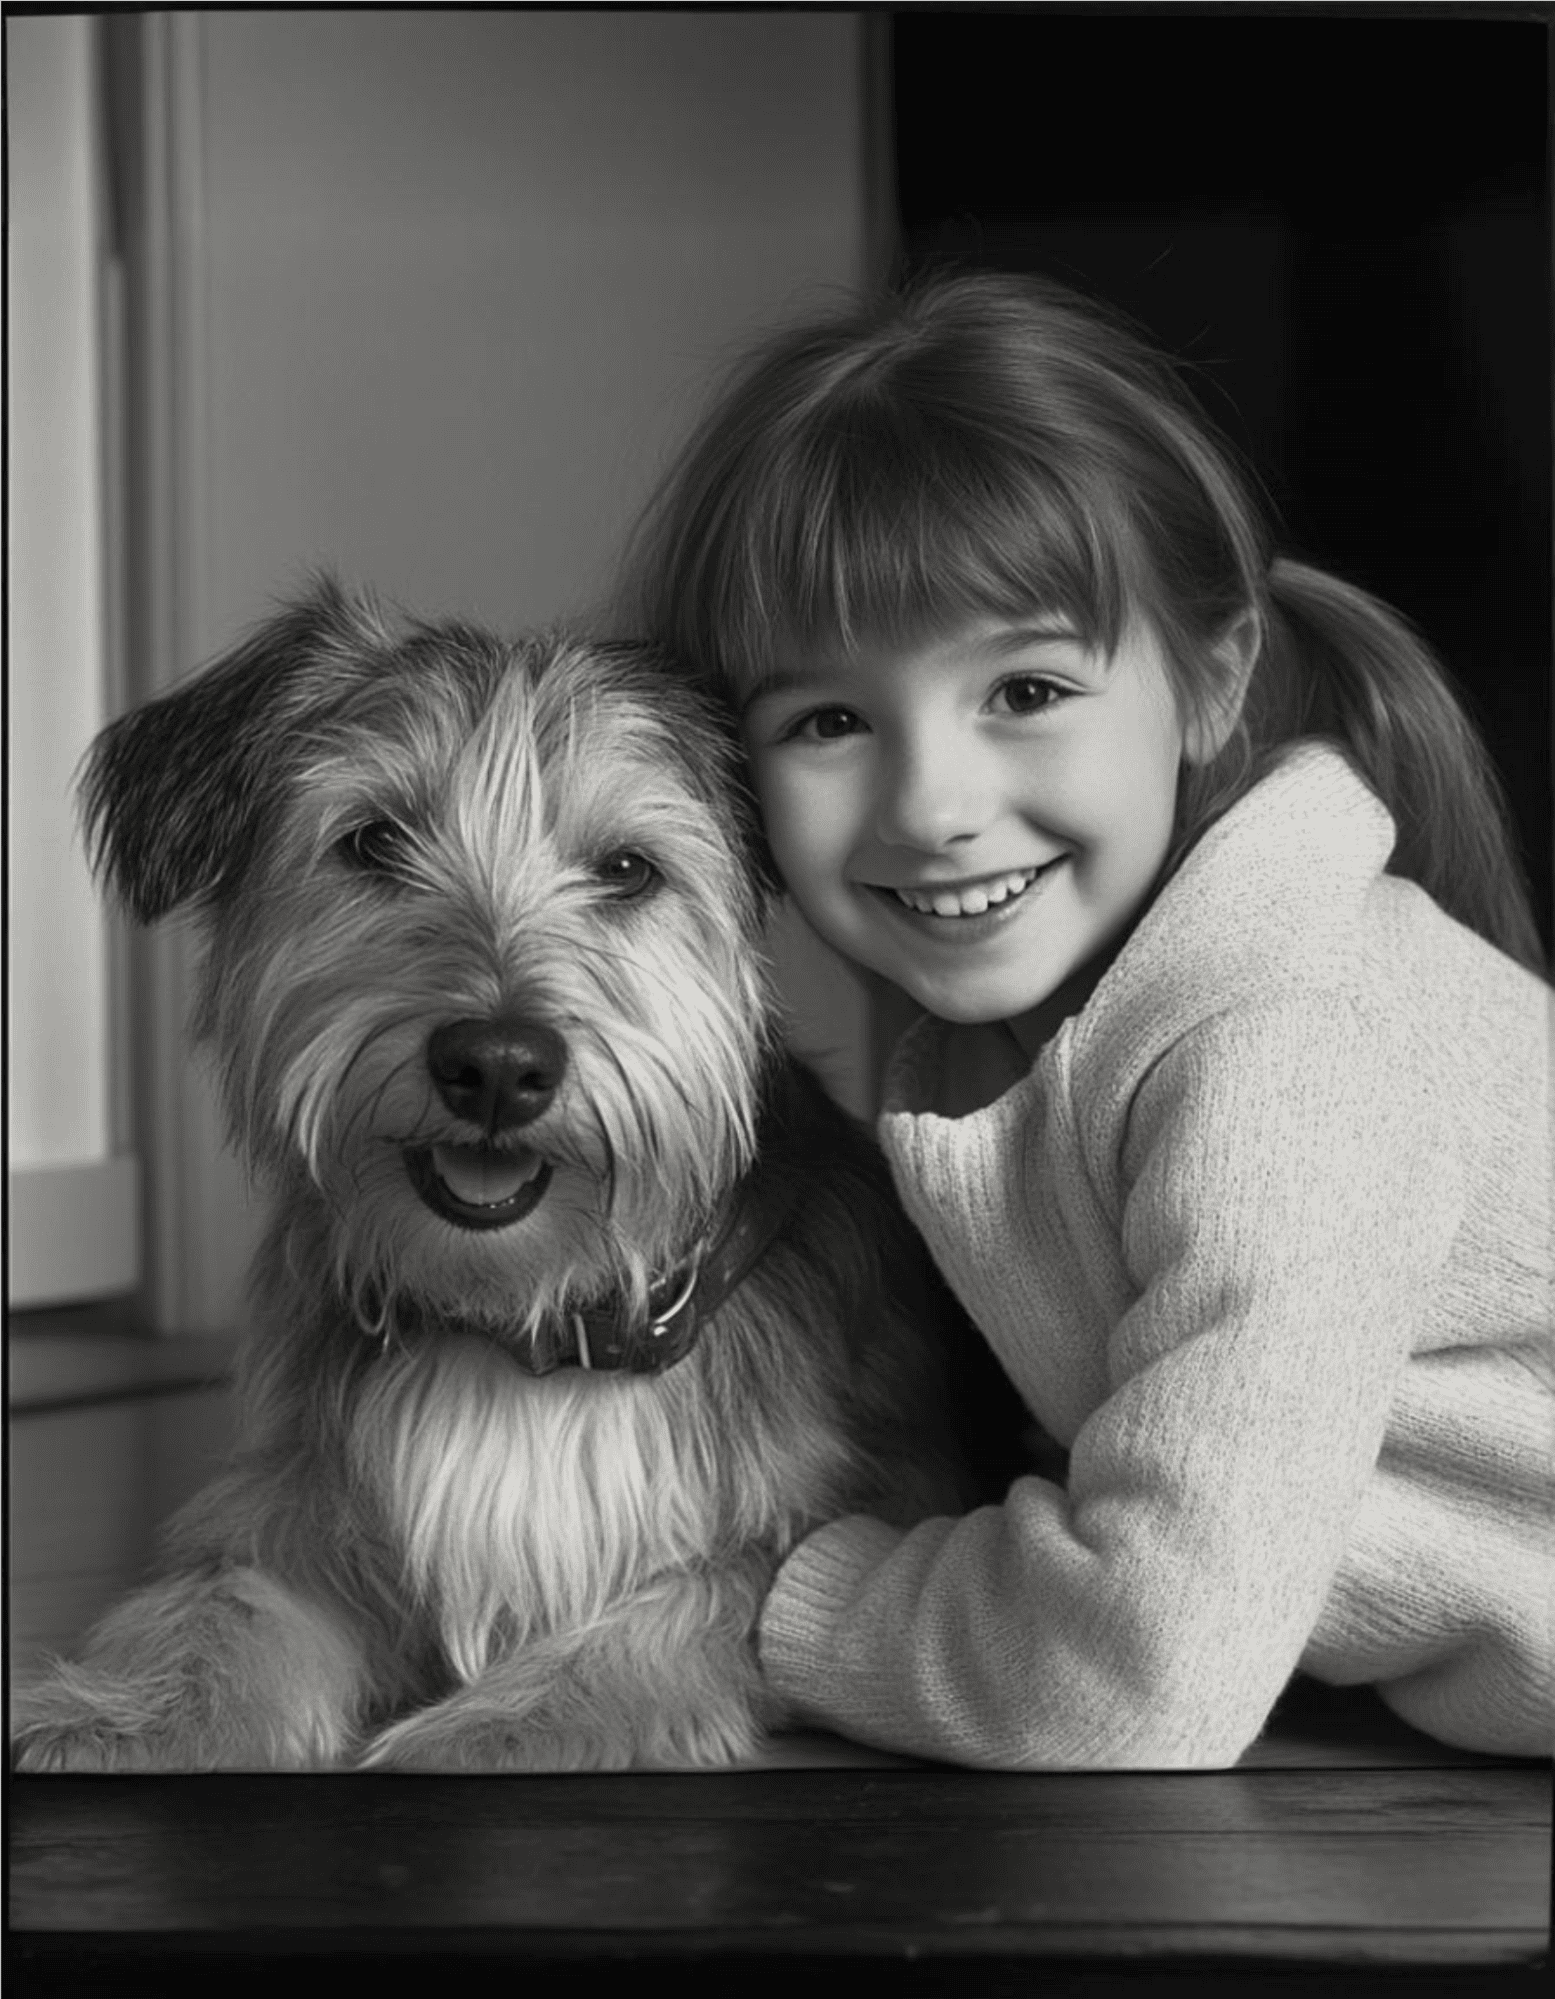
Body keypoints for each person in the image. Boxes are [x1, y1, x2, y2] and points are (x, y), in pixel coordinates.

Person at [621, 270, 1552, 1766]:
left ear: (1209, 680)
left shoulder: (1282, 1055)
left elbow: (1129, 1681)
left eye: (1027, 687)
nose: (932, 807)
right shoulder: (1036, 1039)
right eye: (829, 720)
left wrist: (772, 1597)